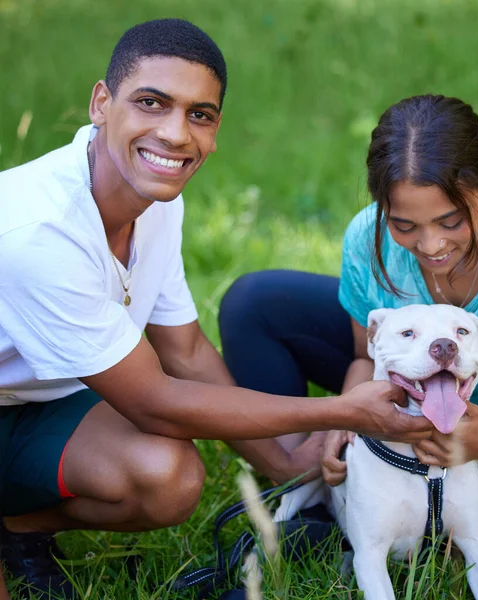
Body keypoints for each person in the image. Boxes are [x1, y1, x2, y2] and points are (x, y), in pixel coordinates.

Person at [0, 19, 431, 599]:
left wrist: (282, 465)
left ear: (216, 127)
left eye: (198, 114)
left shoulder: (153, 196)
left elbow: (186, 351)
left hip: (29, 403)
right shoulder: (37, 231)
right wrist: (346, 412)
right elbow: (156, 403)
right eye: (151, 103)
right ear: (101, 103)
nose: (176, 134)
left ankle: (17, 527)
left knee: (169, 477)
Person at [220, 94, 478, 558]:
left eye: (451, 220)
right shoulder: (367, 237)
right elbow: (362, 355)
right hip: (405, 394)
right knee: (254, 304)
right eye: (404, 225)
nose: (430, 244)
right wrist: (345, 411)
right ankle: (313, 491)